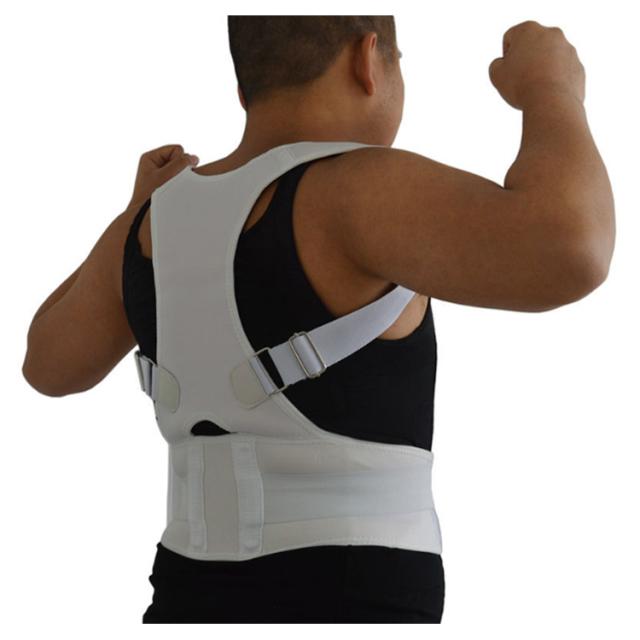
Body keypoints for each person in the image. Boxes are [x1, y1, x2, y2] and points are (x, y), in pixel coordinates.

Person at [22, 16, 615, 623]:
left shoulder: (154, 218)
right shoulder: (357, 188)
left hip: (186, 592)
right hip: (354, 597)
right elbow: (574, 250)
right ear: (368, 60)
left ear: (244, 88)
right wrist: (550, 88)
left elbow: (48, 363)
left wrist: (134, 212)